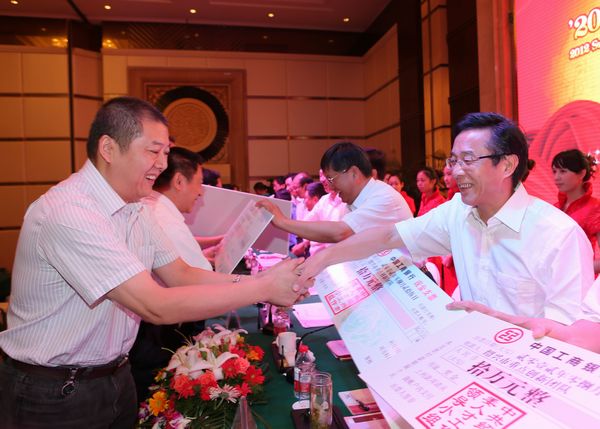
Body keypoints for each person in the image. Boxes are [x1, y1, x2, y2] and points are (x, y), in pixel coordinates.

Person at [0, 97, 306, 428]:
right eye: (153, 151)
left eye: (166, 152)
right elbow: (155, 305)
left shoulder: (137, 206)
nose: (162, 164)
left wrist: (260, 282)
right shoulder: (70, 212)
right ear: (109, 148)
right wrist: (262, 289)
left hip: (115, 376)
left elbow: (181, 274)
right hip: (53, 392)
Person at [299, 112, 600, 349]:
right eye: (454, 161)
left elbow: (572, 337)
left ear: (507, 165)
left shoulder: (558, 235)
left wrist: (507, 325)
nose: (456, 171)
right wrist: (322, 260)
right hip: (467, 358)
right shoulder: (458, 212)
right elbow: (389, 236)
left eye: (468, 160)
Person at [129, 146, 211, 400]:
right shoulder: (161, 215)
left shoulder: (153, 207)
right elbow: (194, 280)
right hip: (155, 335)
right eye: (199, 183)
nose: (200, 192)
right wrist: (257, 286)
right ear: (179, 181)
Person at [257, 142, 412, 244]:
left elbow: (340, 233)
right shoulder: (353, 201)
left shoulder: (383, 197)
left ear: (353, 173)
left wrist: (282, 221)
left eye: (331, 178)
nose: (330, 186)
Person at [552, 149, 600, 274]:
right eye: (554, 171)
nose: (556, 177)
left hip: (581, 281)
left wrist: (577, 270)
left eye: (563, 171)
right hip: (553, 280)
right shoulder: (554, 208)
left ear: (582, 173)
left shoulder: (595, 208)